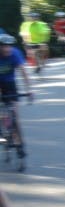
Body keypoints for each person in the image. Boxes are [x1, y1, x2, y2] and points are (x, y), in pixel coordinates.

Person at [0, 33, 32, 168]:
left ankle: (19, 144)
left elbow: (23, 72)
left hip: (10, 84)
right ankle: (3, 131)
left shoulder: (15, 54)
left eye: (9, 46)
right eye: (4, 46)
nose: (7, 49)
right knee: (2, 114)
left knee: (15, 116)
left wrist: (29, 90)